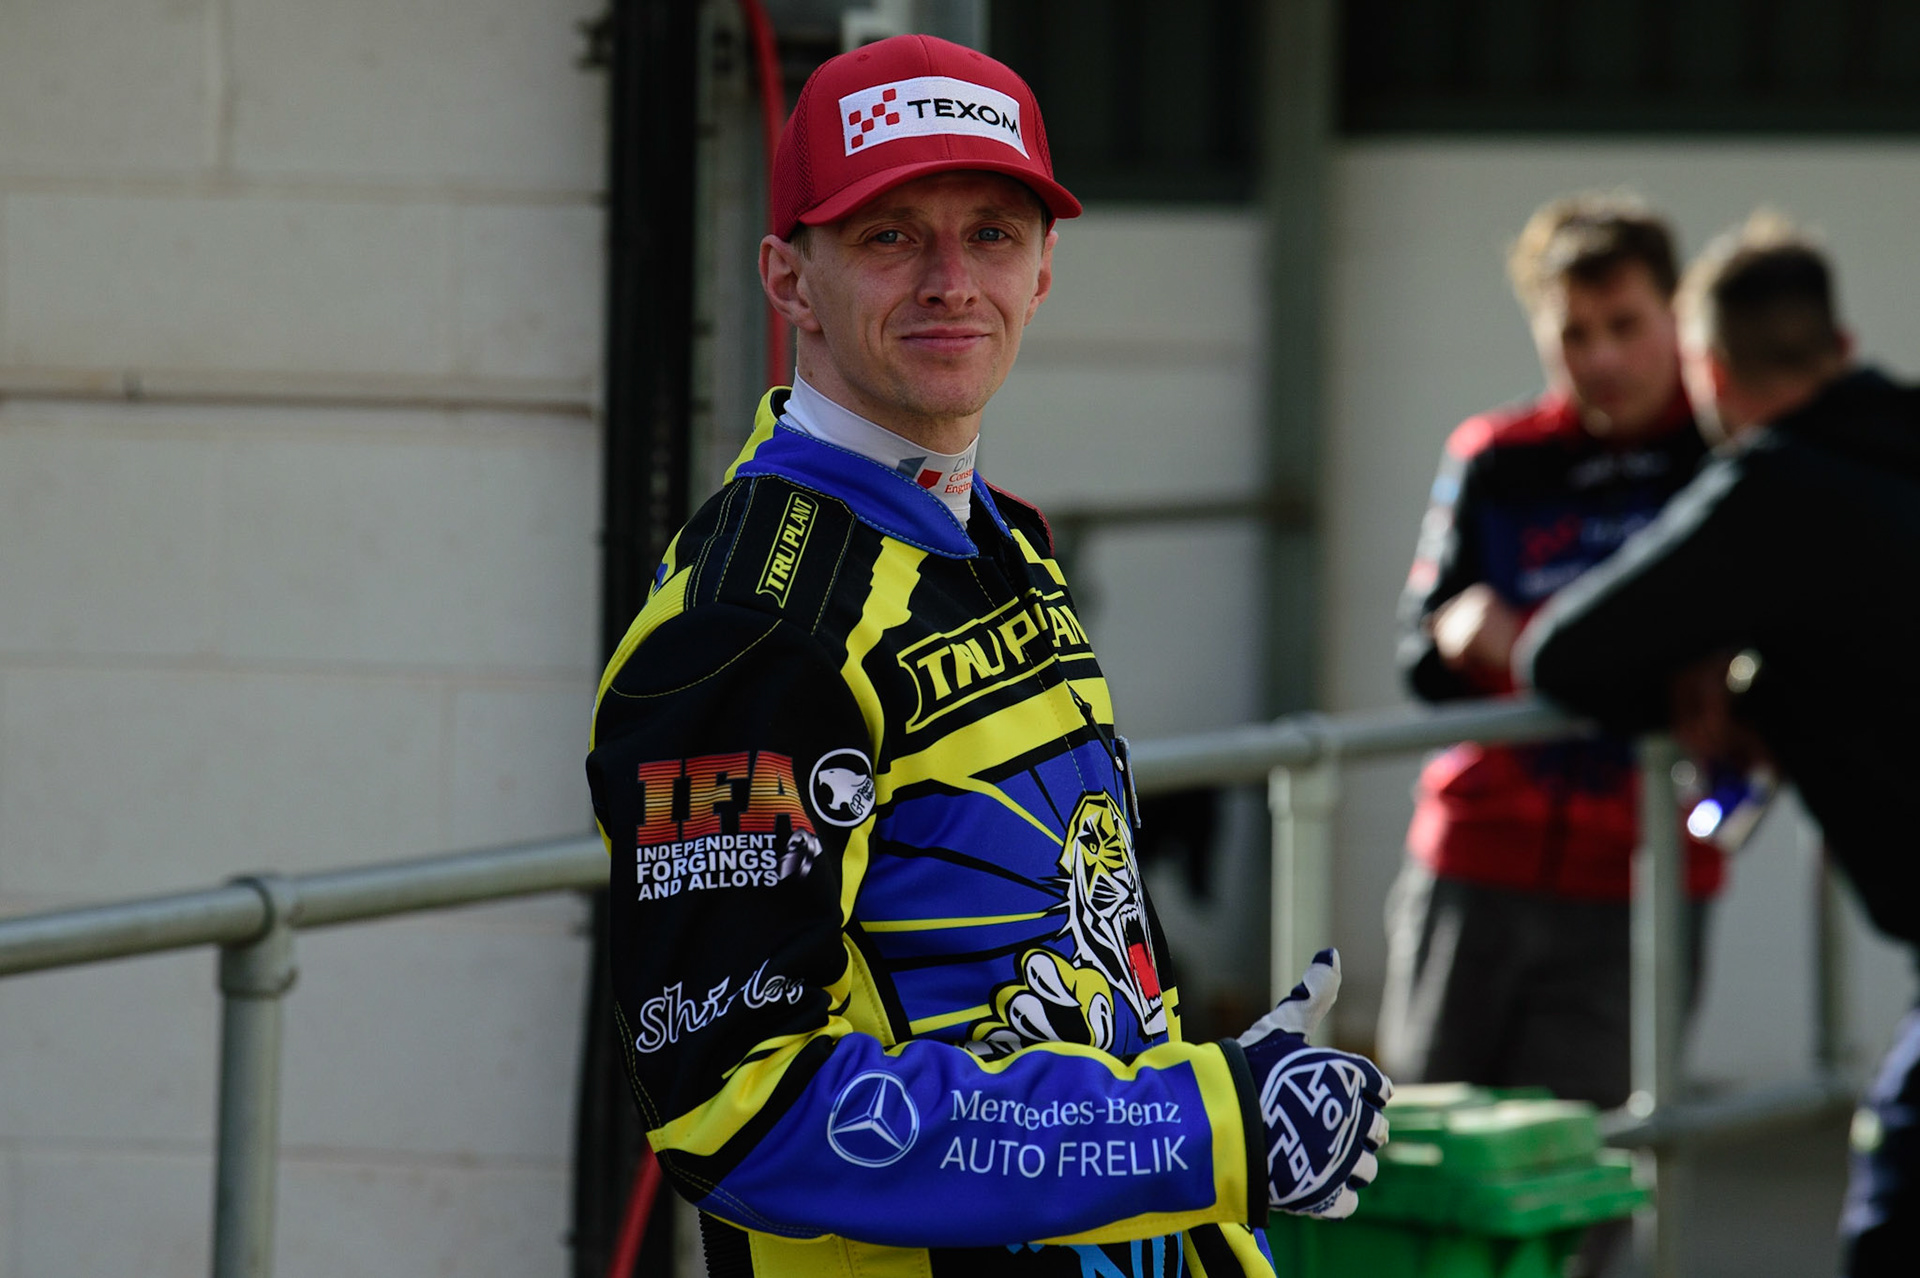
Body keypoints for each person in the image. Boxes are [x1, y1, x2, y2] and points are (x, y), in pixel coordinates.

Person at [584, 35, 1389, 1278]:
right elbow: (740, 1114)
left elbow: (1089, 947)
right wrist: (1206, 1126)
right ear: (788, 277)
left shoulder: (994, 534)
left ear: (1044, 273)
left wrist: (1219, 1171)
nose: (952, 281)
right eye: (891, 236)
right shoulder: (751, 621)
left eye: (994, 235)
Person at [1519, 216, 1920, 1278]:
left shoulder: (1780, 490)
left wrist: (1718, 675)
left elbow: (1565, 656)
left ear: (1707, 372)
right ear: (1839, 348)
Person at [1378, 194, 1725, 1114]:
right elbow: (1420, 657)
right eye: (1574, 333)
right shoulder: (1495, 456)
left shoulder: (1725, 458)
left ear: (1678, 315)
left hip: (1644, 872)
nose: (1601, 358)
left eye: (1625, 326)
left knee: (1586, 1178)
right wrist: (1455, 634)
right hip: (1472, 864)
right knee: (1420, 1161)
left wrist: (1521, 645)